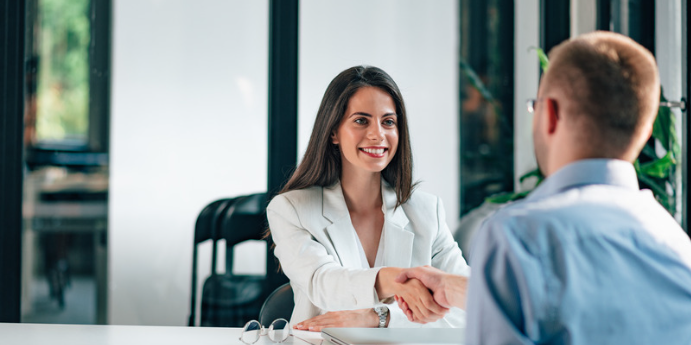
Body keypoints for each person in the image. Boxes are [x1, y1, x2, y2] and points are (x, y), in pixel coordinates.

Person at [395, 31, 691, 344]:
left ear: (550, 113)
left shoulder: (517, 238)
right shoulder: (676, 246)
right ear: (645, 130)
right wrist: (448, 288)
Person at [266, 65, 471, 331]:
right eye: (361, 120)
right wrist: (396, 281)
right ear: (333, 132)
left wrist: (381, 318)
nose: (378, 134)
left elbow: (469, 307)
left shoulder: (427, 211)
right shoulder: (291, 210)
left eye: (388, 122)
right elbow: (323, 283)